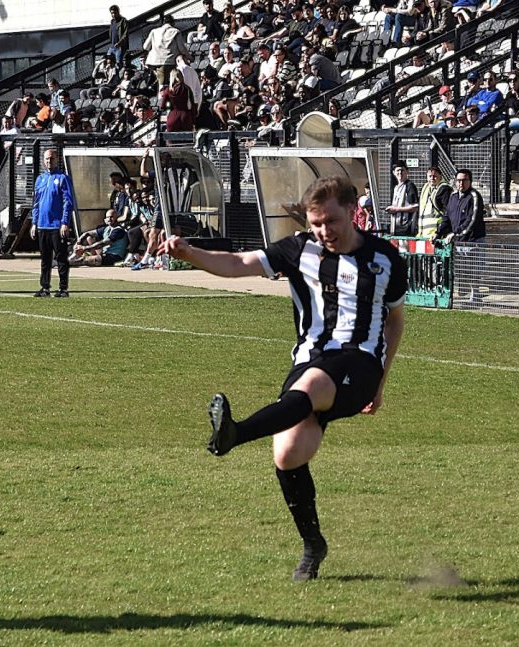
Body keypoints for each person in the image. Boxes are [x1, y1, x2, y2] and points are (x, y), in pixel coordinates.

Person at [159, 175, 407, 582]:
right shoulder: (299, 250)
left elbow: (395, 321)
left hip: (359, 363)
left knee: (311, 386)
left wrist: (381, 384)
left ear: (352, 211)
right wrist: (189, 253)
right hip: (310, 359)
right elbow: (238, 263)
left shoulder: (385, 259)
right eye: (317, 224)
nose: (324, 231)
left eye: (331, 221)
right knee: (288, 454)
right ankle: (313, 545)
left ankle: (235, 434)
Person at [30, 149, 76, 297]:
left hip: (56, 225)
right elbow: (36, 203)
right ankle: (45, 287)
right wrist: (34, 222)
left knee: (61, 257)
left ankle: (63, 288)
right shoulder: (40, 179)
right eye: (47, 159)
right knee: (45, 258)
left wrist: (64, 222)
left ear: (57, 160)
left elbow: (67, 202)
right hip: (42, 225)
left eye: (52, 159)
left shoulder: (62, 178)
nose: (49, 161)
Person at [435, 168, 485, 243]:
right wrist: (438, 233)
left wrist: (456, 234)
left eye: (464, 180)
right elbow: (446, 217)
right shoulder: (453, 196)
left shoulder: (474, 196)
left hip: (472, 242)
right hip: (457, 241)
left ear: (470, 181)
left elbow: (472, 220)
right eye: (458, 180)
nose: (461, 183)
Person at [418, 165, 452, 238]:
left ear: (440, 176)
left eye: (434, 176)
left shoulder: (444, 189)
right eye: (430, 176)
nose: (432, 178)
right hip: (425, 233)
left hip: (438, 233)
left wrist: (440, 231)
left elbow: (448, 212)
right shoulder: (426, 188)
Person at [386, 160, 419, 236]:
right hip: (395, 228)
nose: (400, 173)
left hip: (407, 228)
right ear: (394, 172)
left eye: (402, 170)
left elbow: (415, 207)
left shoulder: (410, 186)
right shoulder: (395, 188)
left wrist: (396, 209)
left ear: (407, 171)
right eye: (398, 170)